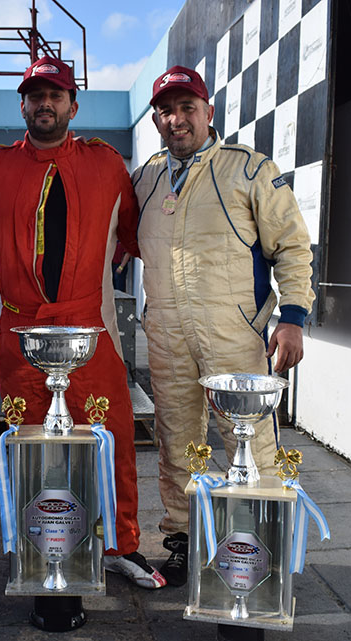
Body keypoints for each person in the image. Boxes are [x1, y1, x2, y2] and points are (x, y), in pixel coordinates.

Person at [0, 56, 165, 589]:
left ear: (73, 104)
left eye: (56, 95)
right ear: (22, 104)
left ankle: (119, 544)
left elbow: (143, 235)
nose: (45, 103)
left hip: (94, 328)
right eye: (35, 95)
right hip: (20, 334)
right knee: (28, 446)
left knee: (110, 441)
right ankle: (34, 544)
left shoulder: (107, 164)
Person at [132, 66, 315, 586]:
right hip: (167, 335)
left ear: (209, 112)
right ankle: (185, 540)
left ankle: (259, 549)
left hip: (234, 334)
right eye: (167, 110)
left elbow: (293, 247)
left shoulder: (249, 169)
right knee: (176, 442)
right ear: (156, 120)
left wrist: (293, 318)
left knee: (251, 442)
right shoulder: (144, 177)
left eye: (188, 107)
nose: (177, 119)